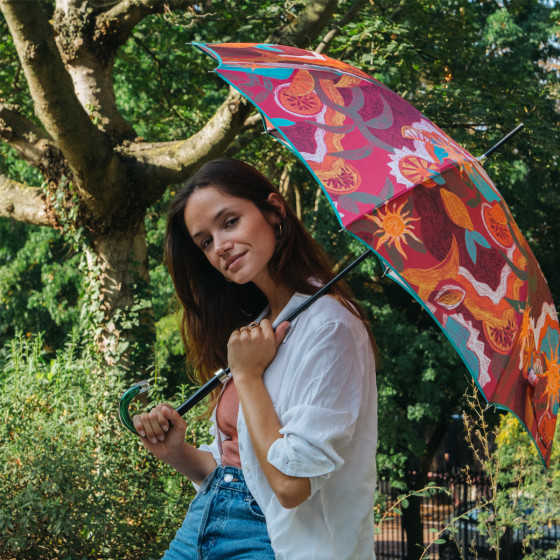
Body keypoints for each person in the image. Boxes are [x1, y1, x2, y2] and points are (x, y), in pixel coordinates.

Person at [133, 159, 378, 560]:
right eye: (205, 242)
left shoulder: (330, 327)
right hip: (203, 521)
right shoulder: (257, 328)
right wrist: (179, 453)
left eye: (229, 222)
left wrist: (247, 377)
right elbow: (235, 467)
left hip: (269, 540)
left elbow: (289, 485)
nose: (220, 247)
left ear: (275, 212)